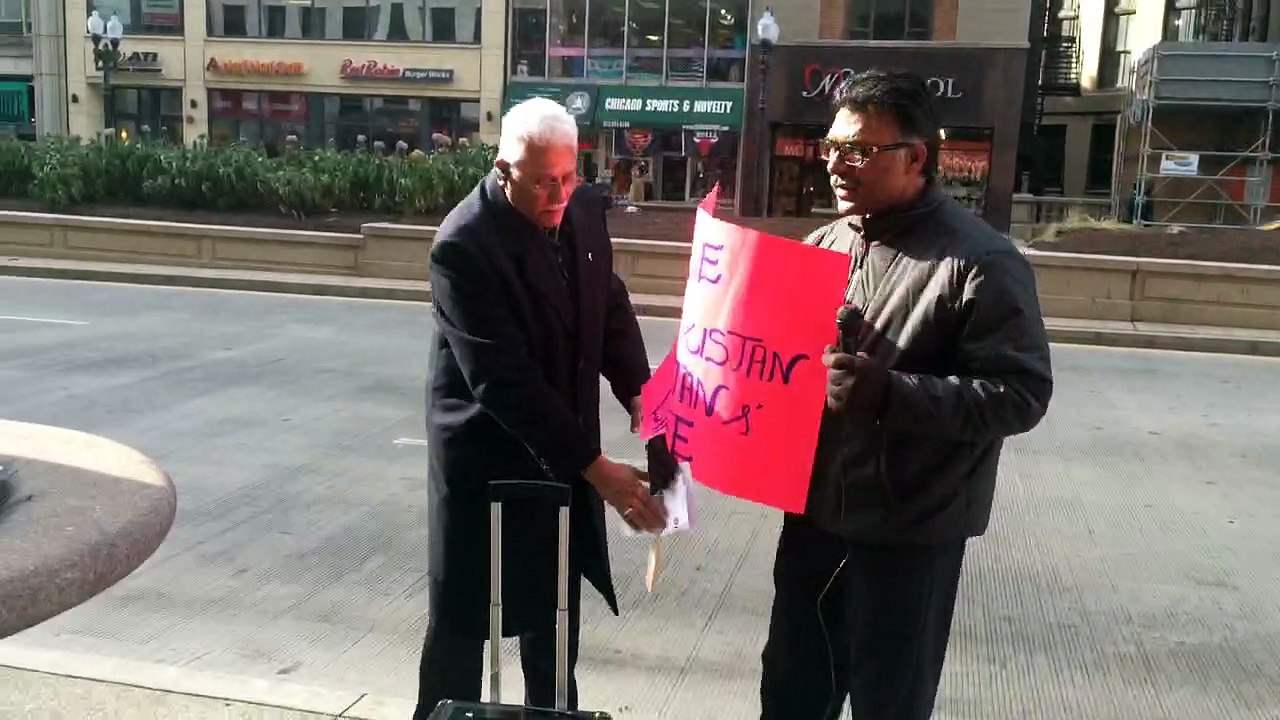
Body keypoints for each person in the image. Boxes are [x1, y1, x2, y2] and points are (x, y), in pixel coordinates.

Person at [758, 69, 1055, 720]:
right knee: (790, 697)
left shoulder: (981, 262)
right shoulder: (823, 245)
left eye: (858, 150)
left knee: (889, 706)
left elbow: (1021, 394)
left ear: (916, 157)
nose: (835, 163)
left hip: (907, 541)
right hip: (813, 529)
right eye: (830, 146)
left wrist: (892, 396)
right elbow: (769, 373)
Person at [415, 97, 667, 718]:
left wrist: (638, 388)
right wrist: (598, 469)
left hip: (564, 447)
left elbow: (605, 301)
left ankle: (552, 711)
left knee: (553, 617)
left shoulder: (581, 208)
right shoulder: (463, 245)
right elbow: (503, 381)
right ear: (504, 170)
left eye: (568, 176)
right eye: (542, 182)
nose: (559, 194)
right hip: (487, 451)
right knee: (464, 623)